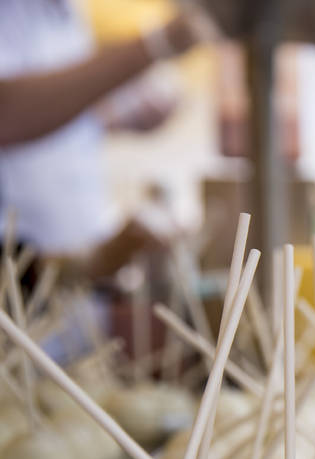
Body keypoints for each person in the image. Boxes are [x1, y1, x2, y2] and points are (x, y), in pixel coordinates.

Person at [0, 0, 208, 278]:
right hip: (19, 280)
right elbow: (8, 114)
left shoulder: (66, 11)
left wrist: (111, 115)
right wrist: (157, 44)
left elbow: (50, 114)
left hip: (59, 283)